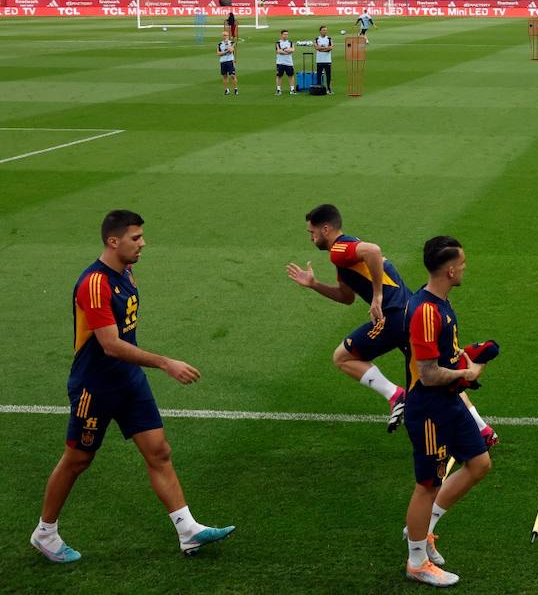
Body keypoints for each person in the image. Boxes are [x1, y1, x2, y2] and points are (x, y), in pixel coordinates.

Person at [32, 210, 235, 563]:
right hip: (95, 388)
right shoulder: (93, 284)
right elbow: (110, 344)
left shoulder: (126, 272)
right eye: (136, 238)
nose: (143, 243)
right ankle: (45, 533)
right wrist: (165, 362)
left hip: (129, 380)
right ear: (114, 241)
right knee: (78, 459)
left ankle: (188, 531)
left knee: (159, 451)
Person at [401, 236, 492, 587]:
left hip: (449, 401)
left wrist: (467, 358)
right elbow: (427, 372)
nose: (465, 267)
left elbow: (443, 359)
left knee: (479, 463)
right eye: (463, 263)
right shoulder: (425, 311)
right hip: (428, 409)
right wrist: (466, 374)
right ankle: (417, 560)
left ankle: (424, 529)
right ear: (450, 268)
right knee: (427, 484)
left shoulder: (440, 302)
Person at [285, 204, 412, 431]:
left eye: (311, 233)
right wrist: (314, 285)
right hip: (411, 314)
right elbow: (346, 297)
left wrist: (377, 296)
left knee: (343, 357)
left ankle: (396, 395)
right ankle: (482, 430)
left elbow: (373, 250)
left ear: (325, 229)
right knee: (437, 379)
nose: (311, 238)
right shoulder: (343, 255)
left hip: (393, 316)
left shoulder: (340, 250)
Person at [274, 29, 296, 96]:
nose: (286, 36)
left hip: (289, 62)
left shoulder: (290, 42)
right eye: (284, 34)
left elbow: (293, 50)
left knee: (291, 76)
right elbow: (278, 51)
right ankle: (278, 89)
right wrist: (287, 51)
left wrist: (284, 50)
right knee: (279, 76)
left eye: (287, 34)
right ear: (281, 35)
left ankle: (292, 89)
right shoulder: (278, 43)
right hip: (280, 62)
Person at [216, 30, 238, 96]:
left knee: (232, 75)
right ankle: (226, 90)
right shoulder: (219, 44)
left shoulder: (231, 43)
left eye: (226, 35)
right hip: (223, 61)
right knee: (225, 76)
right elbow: (218, 53)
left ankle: (235, 88)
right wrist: (225, 52)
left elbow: (232, 50)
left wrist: (230, 49)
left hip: (229, 61)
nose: (225, 36)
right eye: (224, 35)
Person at [314, 24, 334, 94]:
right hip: (319, 60)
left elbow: (331, 47)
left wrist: (321, 49)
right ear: (320, 31)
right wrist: (326, 48)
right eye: (323, 30)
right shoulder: (317, 39)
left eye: (326, 30)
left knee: (328, 75)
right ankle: (319, 89)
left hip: (327, 60)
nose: (325, 31)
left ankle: (329, 88)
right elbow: (316, 48)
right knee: (319, 75)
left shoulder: (329, 39)